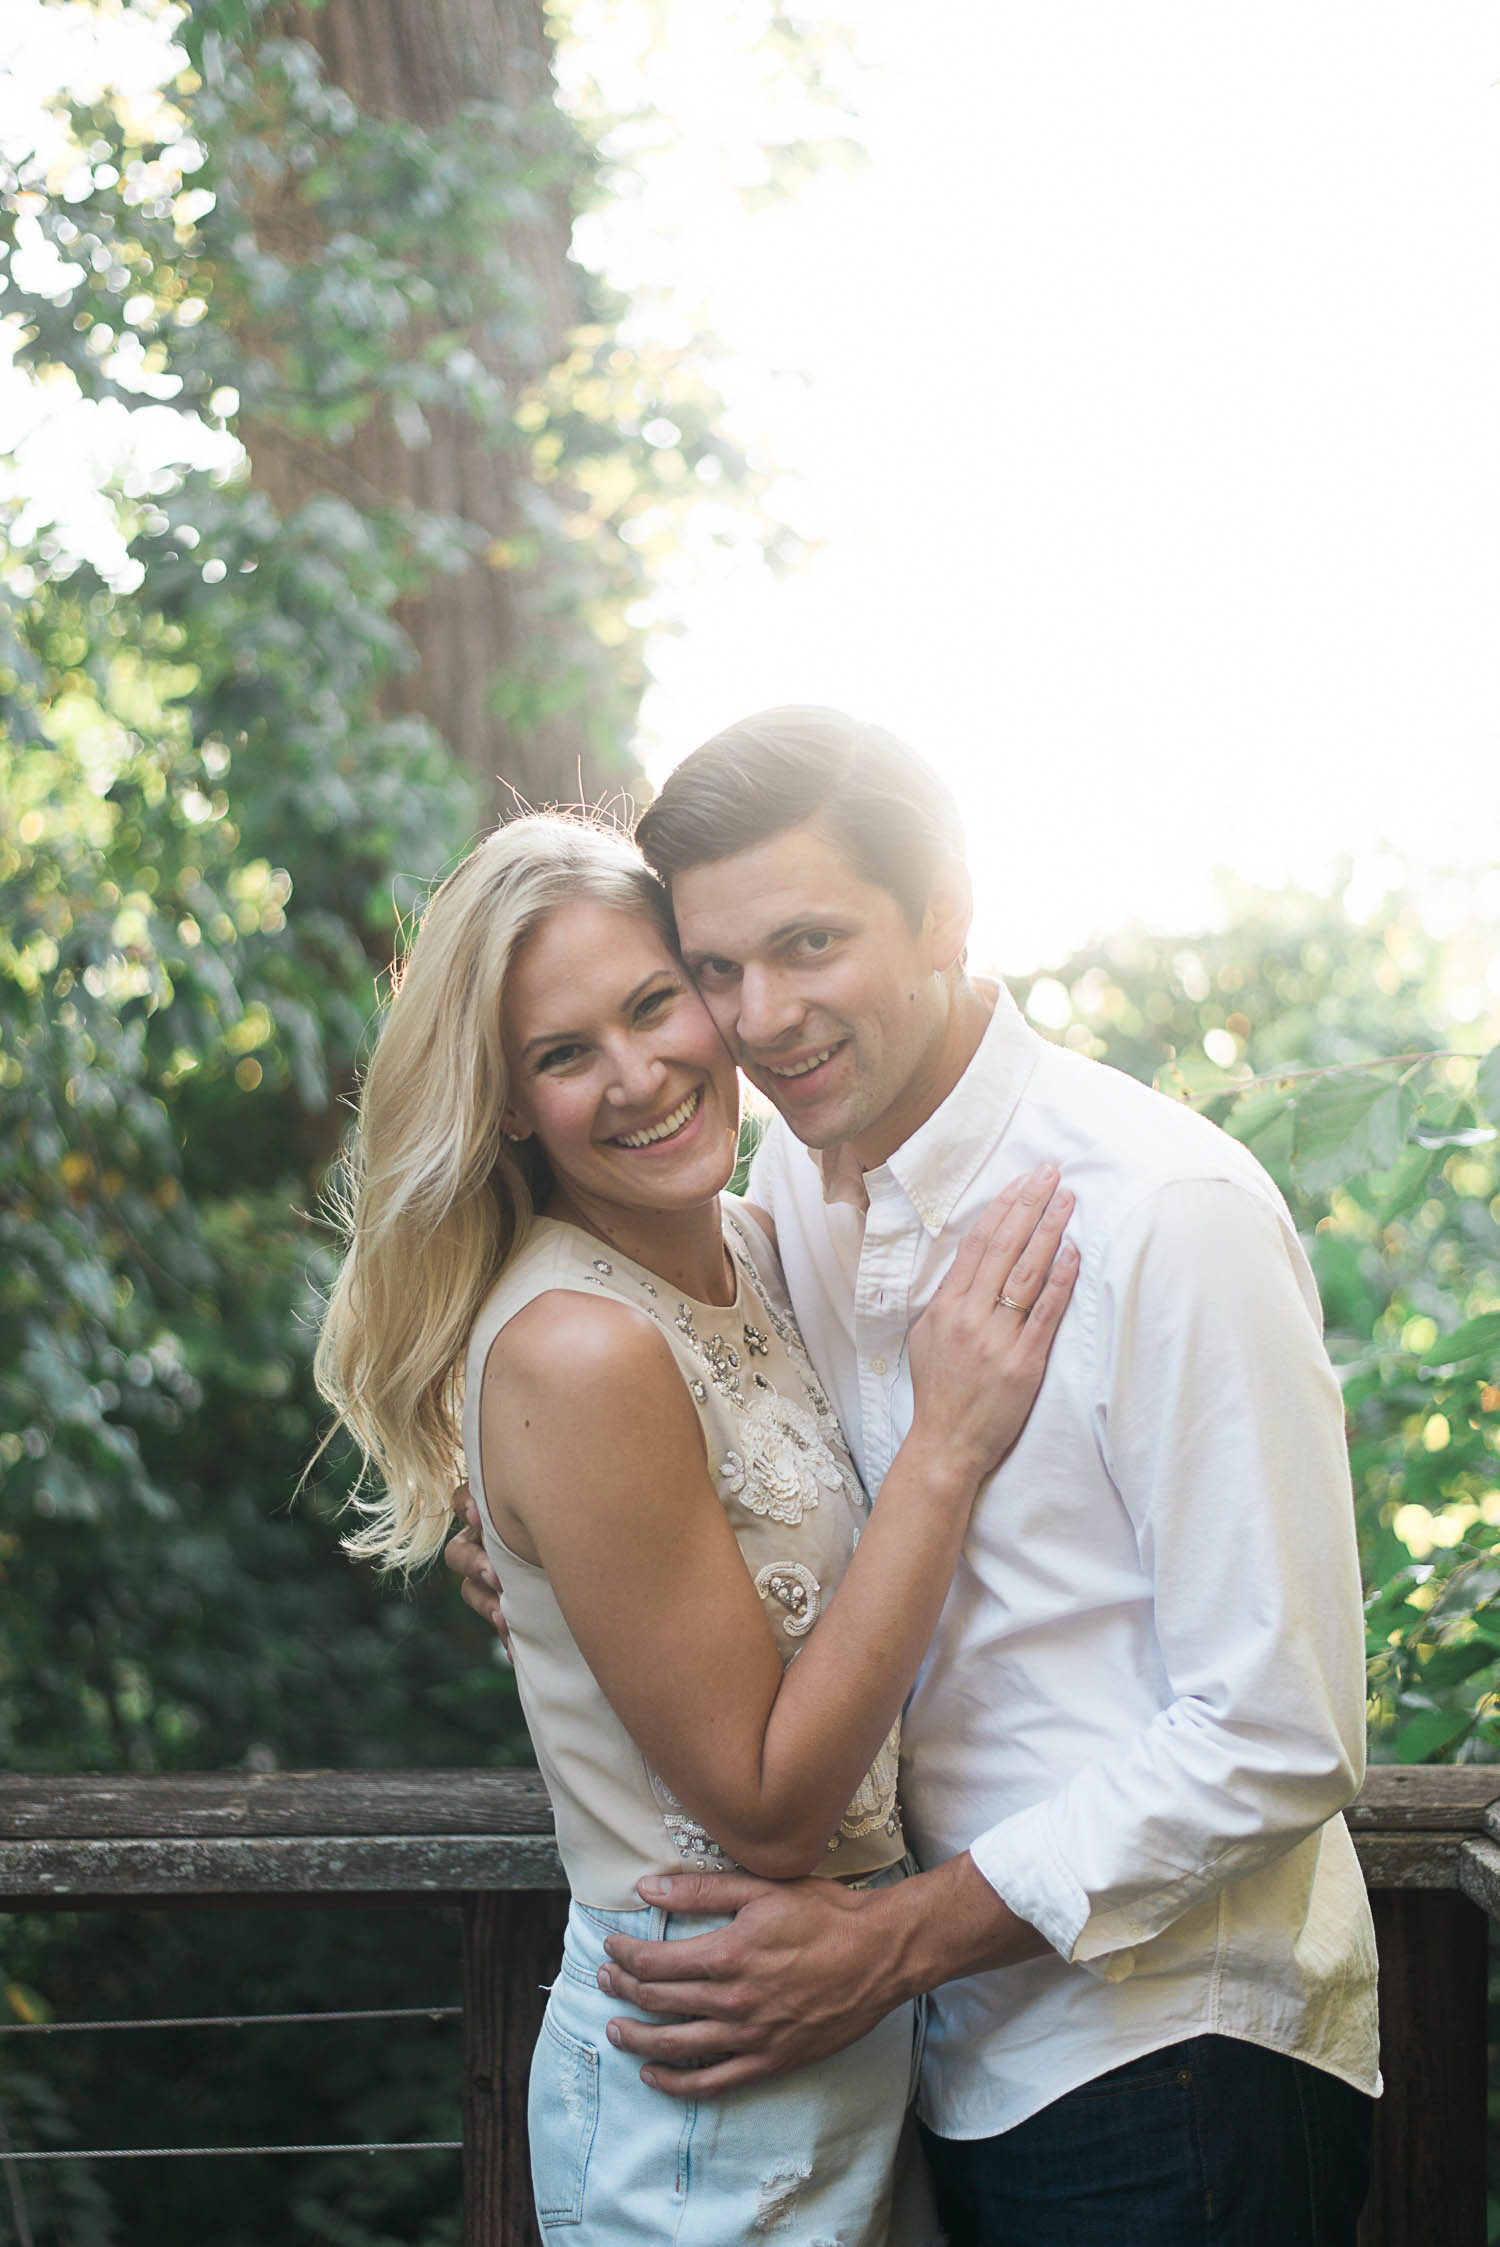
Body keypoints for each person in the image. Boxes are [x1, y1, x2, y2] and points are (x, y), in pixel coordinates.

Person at [447, 708, 1381, 2247]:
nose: (763, 1016)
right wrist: (526, 1548)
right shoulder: (792, 1208)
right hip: (925, 2067)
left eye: (812, 943)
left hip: (1167, 2057)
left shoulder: (1163, 1209)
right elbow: (691, 1466)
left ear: (948, 908)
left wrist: (895, 1944)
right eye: (722, 968)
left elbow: (1281, 1729)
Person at [316, 809, 1077, 2245]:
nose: (637, 1073)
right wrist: (948, 1442)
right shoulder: (577, 1352)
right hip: (707, 2066)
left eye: (657, 1002)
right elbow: (767, 1806)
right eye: (561, 1053)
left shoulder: (755, 1241)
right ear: (502, 1104)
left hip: (850, 2031)